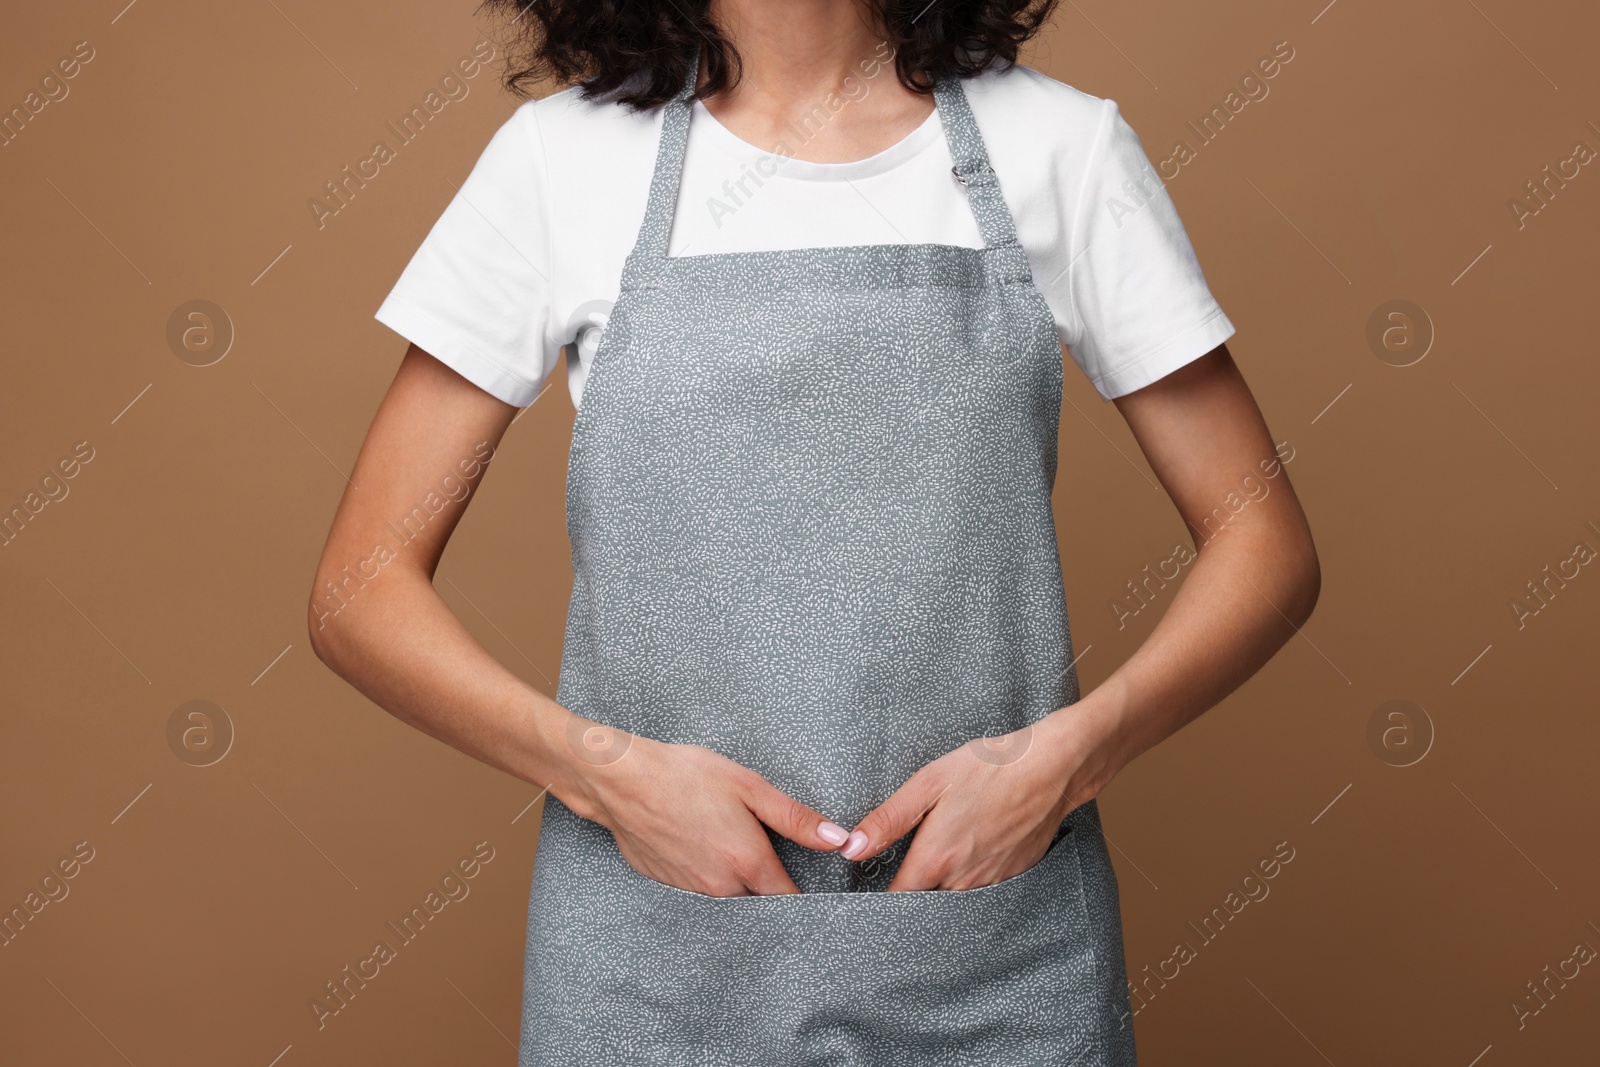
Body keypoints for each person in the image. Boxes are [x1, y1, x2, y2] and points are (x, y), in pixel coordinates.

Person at [309, 1, 1320, 1063]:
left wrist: (1066, 758)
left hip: (994, 950)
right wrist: (605, 772)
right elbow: (358, 591)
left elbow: (1264, 543)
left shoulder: (1058, 148)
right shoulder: (560, 164)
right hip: (652, 960)